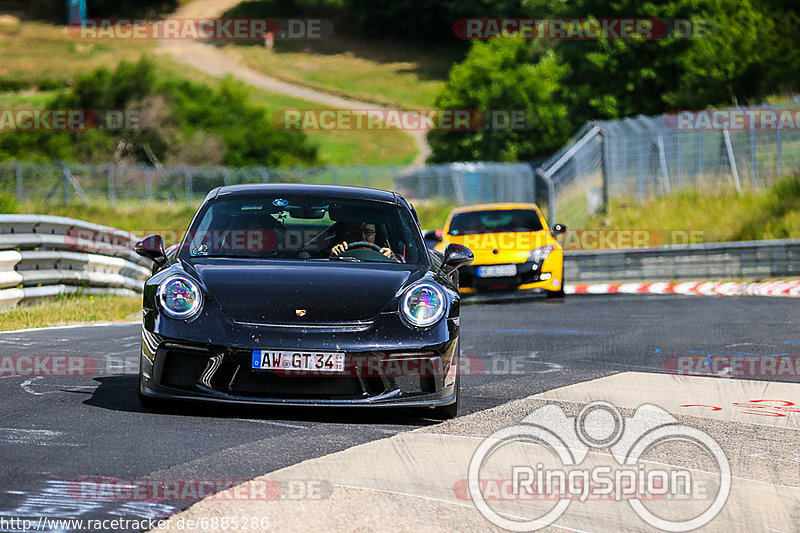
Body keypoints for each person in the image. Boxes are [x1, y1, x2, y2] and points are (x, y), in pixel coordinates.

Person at [330, 222, 398, 261]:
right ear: (347, 234)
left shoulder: (384, 257)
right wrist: (334, 256)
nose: (362, 236)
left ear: (374, 236)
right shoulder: (340, 254)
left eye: (368, 232)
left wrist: (393, 260)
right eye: (356, 232)